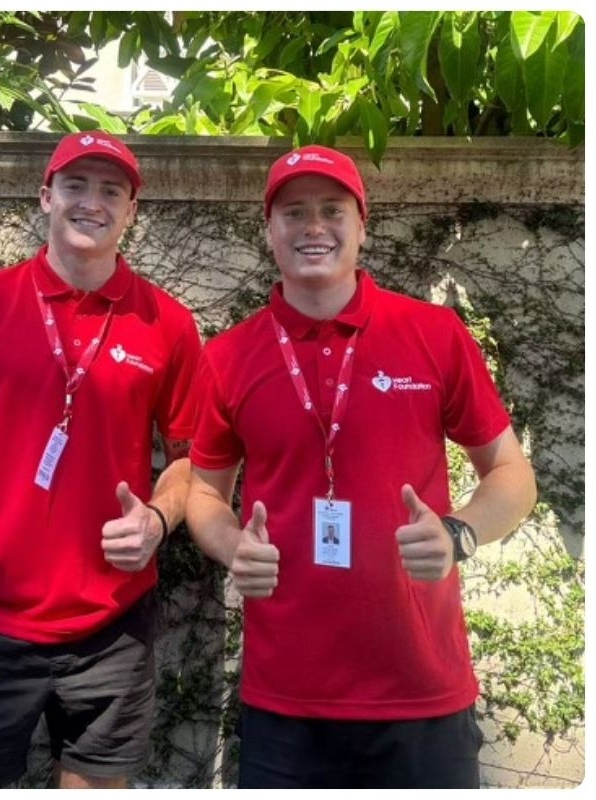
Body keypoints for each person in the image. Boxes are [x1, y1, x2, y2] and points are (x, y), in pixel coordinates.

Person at [186, 145, 537, 789]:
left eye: (331, 210)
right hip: (285, 699)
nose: (313, 226)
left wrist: (460, 533)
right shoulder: (229, 356)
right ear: (270, 231)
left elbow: (513, 473)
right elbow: (204, 491)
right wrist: (233, 543)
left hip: (423, 691)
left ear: (361, 225)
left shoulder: (433, 334)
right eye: (293, 212)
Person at [0, 131, 202, 789]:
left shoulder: (167, 323)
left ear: (132, 209)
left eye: (111, 190)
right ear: (45, 195)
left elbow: (195, 460)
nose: (92, 202)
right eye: (76, 185)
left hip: (112, 626)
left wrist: (160, 520)